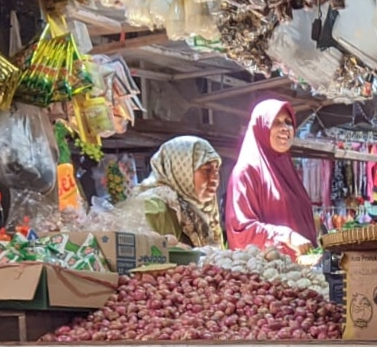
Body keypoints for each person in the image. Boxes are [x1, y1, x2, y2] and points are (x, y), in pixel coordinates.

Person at [224, 100, 319, 255]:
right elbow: (241, 230)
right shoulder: (246, 172)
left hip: (300, 267)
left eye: (288, 122)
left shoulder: (288, 171)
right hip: (269, 268)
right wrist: (286, 236)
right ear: (261, 127)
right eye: (276, 122)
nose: (285, 127)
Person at [130, 136, 223, 247]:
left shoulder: (204, 210)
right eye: (207, 170)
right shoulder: (154, 207)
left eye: (216, 169)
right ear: (182, 169)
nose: (214, 178)